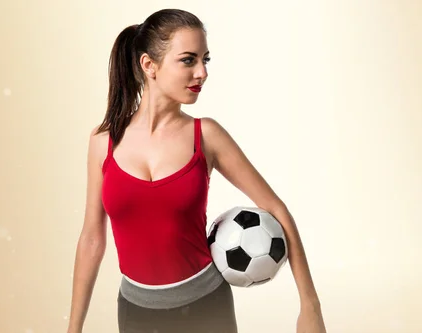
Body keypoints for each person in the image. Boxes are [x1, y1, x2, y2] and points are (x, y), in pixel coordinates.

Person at [66, 8, 326, 333]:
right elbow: (92, 238)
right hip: (135, 313)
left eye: (206, 59)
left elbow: (274, 208)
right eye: (189, 60)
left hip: (206, 308)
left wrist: (310, 306)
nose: (202, 72)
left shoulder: (207, 135)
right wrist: (73, 328)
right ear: (149, 66)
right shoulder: (102, 142)